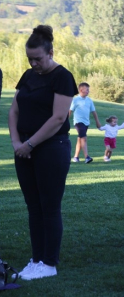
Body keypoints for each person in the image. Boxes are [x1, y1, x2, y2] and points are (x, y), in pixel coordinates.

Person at [8, 25, 78, 280]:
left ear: (50, 52)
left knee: (49, 207)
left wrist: (30, 144)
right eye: (30, 59)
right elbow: (14, 110)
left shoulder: (62, 77)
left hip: (51, 148)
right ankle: (36, 259)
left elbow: (58, 117)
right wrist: (17, 143)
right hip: (24, 148)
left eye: (38, 58)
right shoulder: (28, 75)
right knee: (33, 207)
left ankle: (49, 263)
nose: (34, 63)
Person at [69, 82, 101, 163]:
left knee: (80, 139)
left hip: (86, 123)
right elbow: (70, 111)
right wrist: (65, 121)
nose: (88, 91)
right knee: (84, 138)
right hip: (78, 122)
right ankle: (87, 157)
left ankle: (76, 157)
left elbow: (94, 112)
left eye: (88, 90)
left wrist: (97, 122)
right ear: (81, 90)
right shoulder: (75, 100)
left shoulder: (89, 100)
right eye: (87, 89)